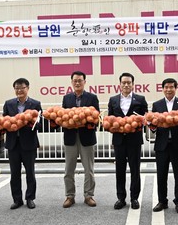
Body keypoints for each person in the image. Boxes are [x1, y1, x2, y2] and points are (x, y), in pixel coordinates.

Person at [107, 72, 148, 210]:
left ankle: (134, 198)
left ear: (133, 84)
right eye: (123, 82)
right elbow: (110, 119)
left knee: (135, 169)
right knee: (120, 169)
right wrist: (112, 126)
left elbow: (146, 118)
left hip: (134, 140)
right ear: (119, 84)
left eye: (128, 83)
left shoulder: (140, 99)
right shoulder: (113, 100)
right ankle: (121, 198)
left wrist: (139, 122)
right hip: (119, 140)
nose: (126, 85)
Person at [60, 71, 99, 208]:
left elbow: (96, 118)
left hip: (86, 137)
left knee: (89, 169)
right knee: (68, 169)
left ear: (84, 82)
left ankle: (89, 195)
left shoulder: (92, 98)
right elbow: (63, 117)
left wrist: (86, 123)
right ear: (71, 82)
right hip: (70, 137)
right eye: (75, 80)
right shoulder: (66, 98)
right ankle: (69, 196)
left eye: (80, 80)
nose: (77, 83)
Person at [150, 78, 178, 214]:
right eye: (166, 87)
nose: (168, 89)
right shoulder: (157, 105)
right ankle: (162, 201)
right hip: (162, 145)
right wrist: (151, 125)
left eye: (171, 87)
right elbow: (154, 127)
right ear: (162, 89)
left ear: (176, 88)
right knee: (161, 174)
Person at [3, 77, 42, 210]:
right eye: (17, 88)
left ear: (28, 88)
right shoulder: (8, 104)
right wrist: (4, 126)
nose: (19, 90)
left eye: (22, 88)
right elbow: (4, 121)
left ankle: (30, 198)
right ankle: (17, 199)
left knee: (30, 172)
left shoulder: (35, 104)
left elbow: (40, 123)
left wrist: (31, 123)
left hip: (29, 142)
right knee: (14, 173)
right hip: (13, 143)